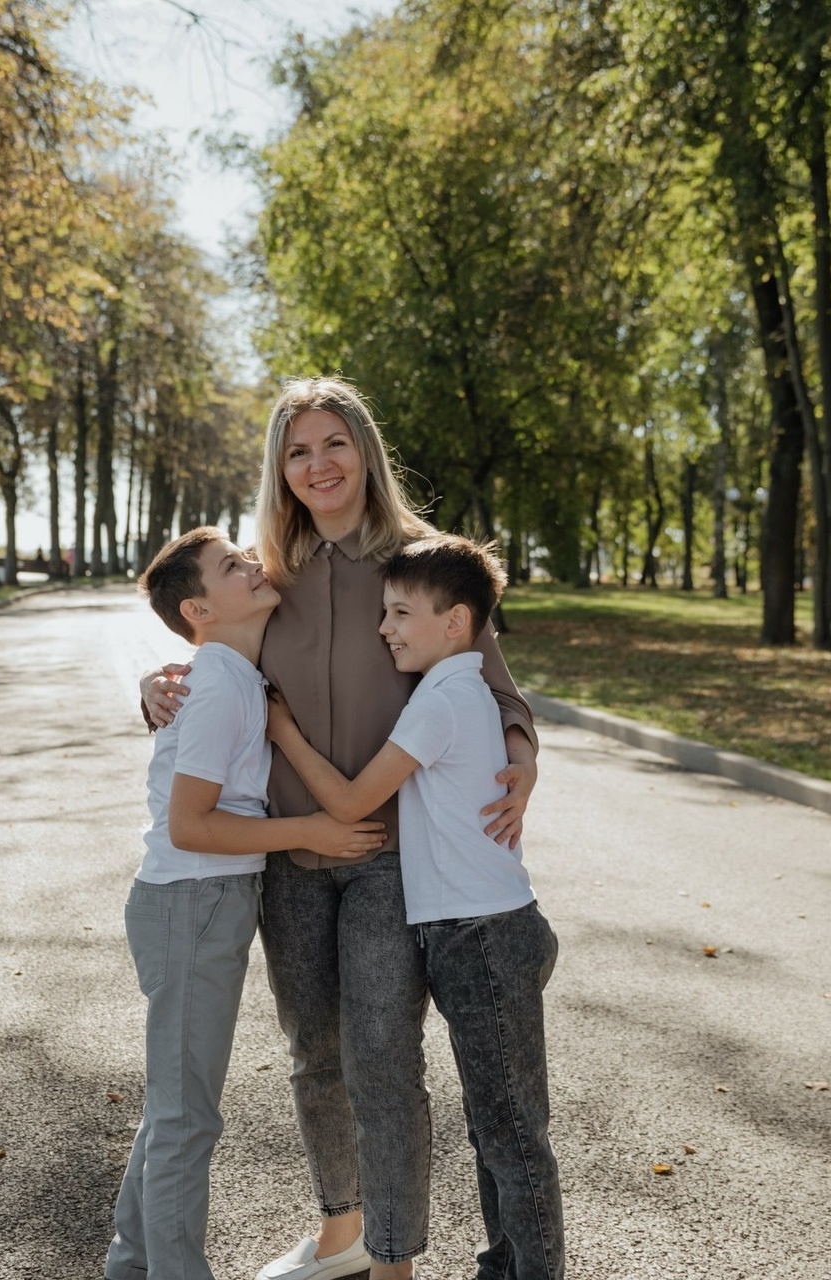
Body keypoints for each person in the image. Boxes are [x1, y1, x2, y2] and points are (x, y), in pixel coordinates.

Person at [141, 378, 537, 1280]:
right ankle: (342, 1233)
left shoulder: (417, 566)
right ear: (280, 471)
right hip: (290, 855)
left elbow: (500, 689)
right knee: (313, 1054)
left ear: (365, 452)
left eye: (333, 444)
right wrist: (151, 691)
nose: (317, 465)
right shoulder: (265, 578)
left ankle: (393, 1260)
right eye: (297, 450)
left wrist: (524, 757)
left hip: (390, 856)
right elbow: (202, 663)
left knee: (383, 1059)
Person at [265, 534, 563, 1280]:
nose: (385, 628)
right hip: (470, 935)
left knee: (513, 1135)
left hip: (483, 939)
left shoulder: (445, 699)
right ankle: (503, 1267)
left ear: (457, 623)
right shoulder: (450, 692)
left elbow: (351, 801)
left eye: (400, 613)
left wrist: (285, 734)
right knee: (493, 1127)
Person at [107, 527, 386, 1280]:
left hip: (200, 901)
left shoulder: (227, 669)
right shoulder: (224, 680)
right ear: (199, 608)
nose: (254, 565)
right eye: (233, 566)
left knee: (176, 1104)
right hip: (192, 903)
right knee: (186, 1115)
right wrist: (314, 829)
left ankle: (131, 1265)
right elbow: (190, 823)